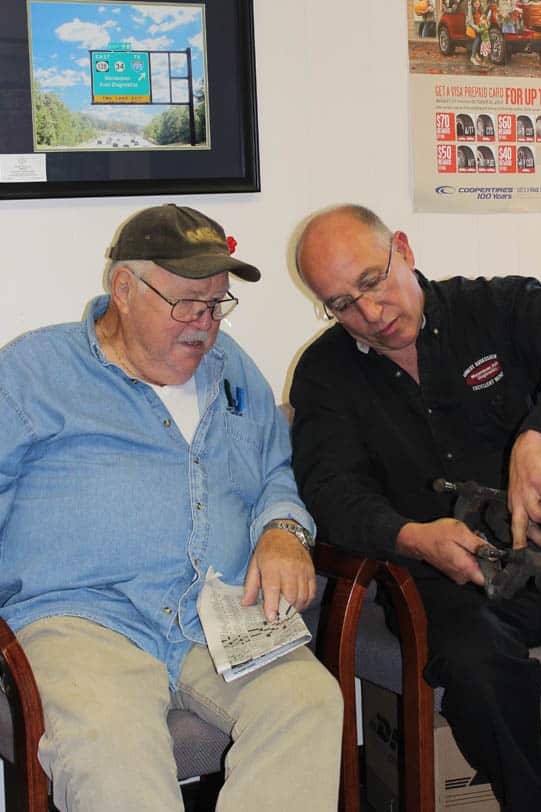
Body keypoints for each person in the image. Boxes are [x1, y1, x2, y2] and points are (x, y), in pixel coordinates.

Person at [0, 203, 343, 812]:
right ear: (123, 289)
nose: (204, 325)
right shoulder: (34, 371)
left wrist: (283, 529)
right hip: (84, 618)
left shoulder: (232, 369)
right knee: (112, 750)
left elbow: (276, 472)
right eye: (186, 303)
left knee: (308, 702)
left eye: (216, 304)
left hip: (220, 611)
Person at [290, 203, 541, 812]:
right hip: (445, 580)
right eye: (342, 304)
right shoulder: (326, 374)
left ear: (403, 249)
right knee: (479, 674)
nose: (370, 314)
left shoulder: (496, 307)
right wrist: (411, 536)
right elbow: (331, 493)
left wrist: (540, 435)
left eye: (373, 281)